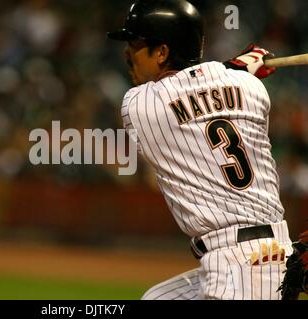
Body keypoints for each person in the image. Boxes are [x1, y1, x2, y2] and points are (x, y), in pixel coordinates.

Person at [107, 0, 293, 300]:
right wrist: (237, 70)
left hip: (243, 267)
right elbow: (210, 82)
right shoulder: (251, 87)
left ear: (163, 52)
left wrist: (235, 65)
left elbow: (192, 86)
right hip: (264, 252)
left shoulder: (138, 105)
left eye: (136, 43)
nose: (127, 52)